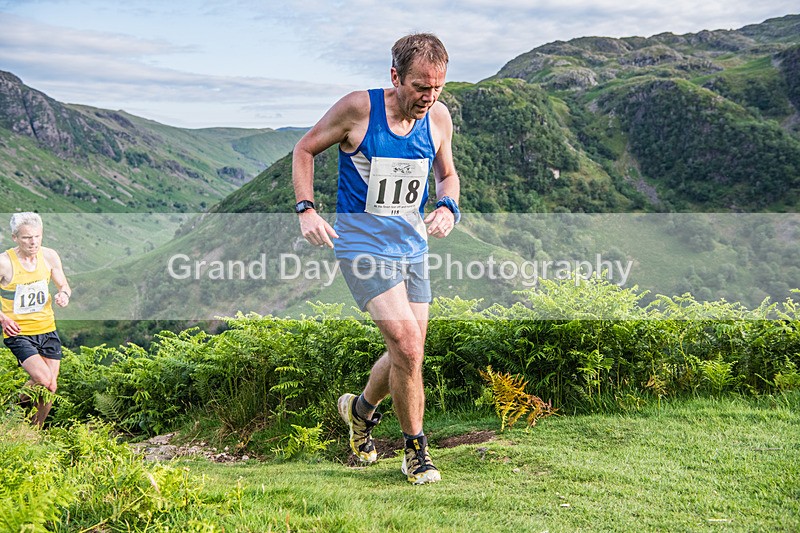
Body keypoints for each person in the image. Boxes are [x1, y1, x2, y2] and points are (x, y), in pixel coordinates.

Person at [292, 33, 461, 484]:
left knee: (411, 351)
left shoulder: (439, 118)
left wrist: (448, 206)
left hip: (412, 246)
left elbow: (447, 175)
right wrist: (306, 210)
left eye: (437, 88)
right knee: (407, 346)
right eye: (420, 87)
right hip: (362, 247)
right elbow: (304, 149)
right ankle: (415, 451)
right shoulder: (358, 110)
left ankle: (360, 409)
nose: (429, 97)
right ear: (395, 77)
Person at [0, 212, 71, 427]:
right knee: (42, 379)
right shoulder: (4, 262)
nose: (33, 242)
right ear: (15, 238)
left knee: (50, 386)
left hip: (47, 329)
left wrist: (64, 295)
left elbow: (64, 285)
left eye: (37, 237)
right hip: (18, 332)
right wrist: (3, 319)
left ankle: (33, 432)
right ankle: (10, 411)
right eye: (26, 238)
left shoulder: (49, 256)